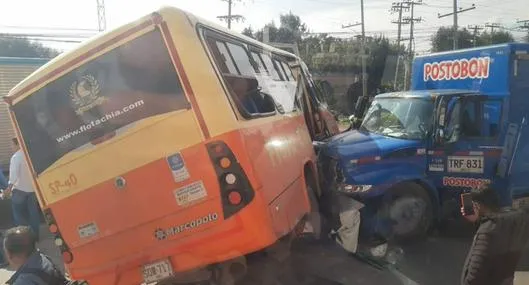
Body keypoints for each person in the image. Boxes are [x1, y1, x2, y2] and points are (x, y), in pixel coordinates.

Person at [460, 185, 529, 285]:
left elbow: (475, 272)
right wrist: (477, 220)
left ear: (477, 206)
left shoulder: (487, 232)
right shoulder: (516, 220)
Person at [4, 137, 41, 239]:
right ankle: (35, 236)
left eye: (12, 145)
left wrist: (8, 188)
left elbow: (14, 176)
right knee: (33, 213)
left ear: (18, 144)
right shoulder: (31, 155)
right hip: (32, 189)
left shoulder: (16, 157)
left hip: (19, 189)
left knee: (18, 214)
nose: (11, 147)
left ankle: (25, 237)